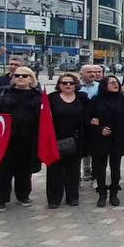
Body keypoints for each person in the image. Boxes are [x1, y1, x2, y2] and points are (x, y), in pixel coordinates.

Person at [0, 67, 42, 212]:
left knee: (25, 169)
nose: (20, 78)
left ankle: (23, 195)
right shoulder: (3, 91)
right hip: (5, 137)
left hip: (28, 138)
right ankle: (0, 199)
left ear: (31, 78)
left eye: (24, 75)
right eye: (17, 75)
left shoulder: (37, 94)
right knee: (4, 169)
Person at [47, 73, 88, 209]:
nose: (68, 85)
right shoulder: (51, 98)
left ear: (76, 84)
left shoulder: (82, 98)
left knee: (73, 171)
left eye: (71, 83)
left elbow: (90, 113)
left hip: (75, 140)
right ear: (59, 85)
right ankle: (54, 199)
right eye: (64, 83)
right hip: (55, 140)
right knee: (54, 171)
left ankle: (72, 197)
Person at [87, 76, 124, 208]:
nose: (115, 84)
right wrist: (99, 129)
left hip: (118, 138)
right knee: (100, 167)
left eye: (116, 82)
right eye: (112, 83)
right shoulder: (96, 100)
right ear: (104, 85)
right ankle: (102, 194)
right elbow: (89, 119)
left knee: (115, 167)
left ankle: (114, 193)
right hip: (101, 138)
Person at [0, 56, 28, 129]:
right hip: (2, 123)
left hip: (24, 124)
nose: (13, 66)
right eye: (11, 64)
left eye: (16, 65)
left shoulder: (30, 82)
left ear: (23, 67)